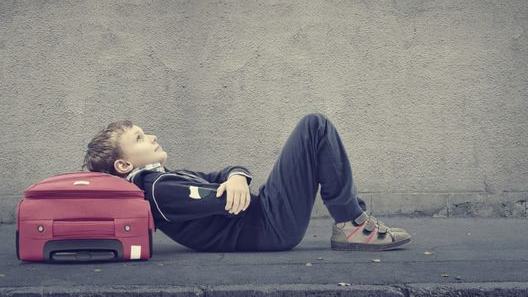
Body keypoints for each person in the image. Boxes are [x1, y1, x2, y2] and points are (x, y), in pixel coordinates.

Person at [81, 112, 411, 252]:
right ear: (123, 164)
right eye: (139, 137)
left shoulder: (162, 180)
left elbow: (223, 175)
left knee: (315, 127)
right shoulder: (156, 190)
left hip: (267, 218)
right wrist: (234, 185)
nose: (151, 136)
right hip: (269, 226)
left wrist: (237, 176)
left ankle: (351, 221)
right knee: (315, 126)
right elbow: (228, 199)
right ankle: (352, 224)